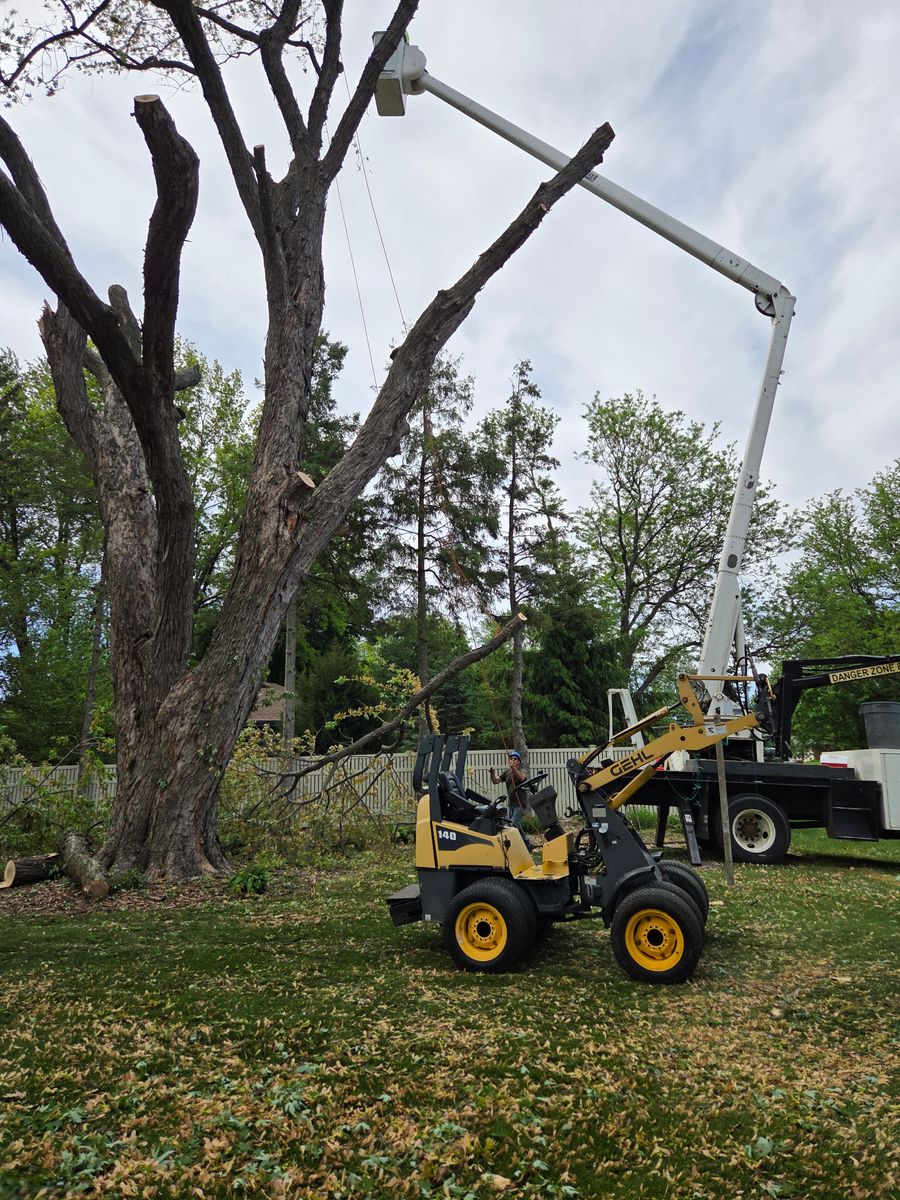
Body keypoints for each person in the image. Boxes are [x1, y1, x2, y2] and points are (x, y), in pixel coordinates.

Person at [490, 750, 529, 828]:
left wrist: (513, 768)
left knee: (513, 825)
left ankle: (521, 840)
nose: (513, 760)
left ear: (518, 762)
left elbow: (522, 778)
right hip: (511, 804)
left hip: (520, 804)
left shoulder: (521, 771)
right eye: (511, 759)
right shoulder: (507, 773)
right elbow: (495, 781)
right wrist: (492, 773)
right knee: (514, 826)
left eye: (515, 759)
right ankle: (524, 840)